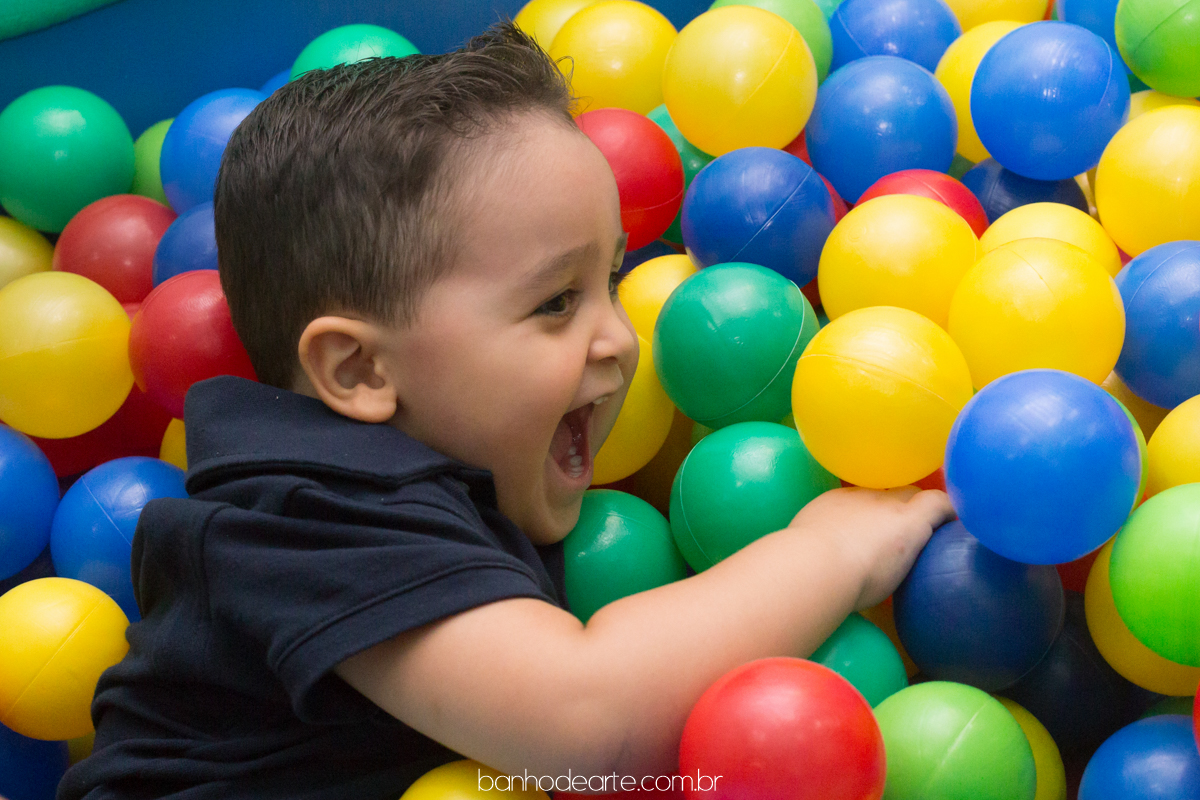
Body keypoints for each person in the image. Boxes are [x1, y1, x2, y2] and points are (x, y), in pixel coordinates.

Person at [58, 22, 953, 800]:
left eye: (609, 281)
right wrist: (830, 549)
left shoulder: (427, 469)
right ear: (360, 368)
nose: (620, 340)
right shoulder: (295, 522)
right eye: (555, 303)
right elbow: (588, 720)